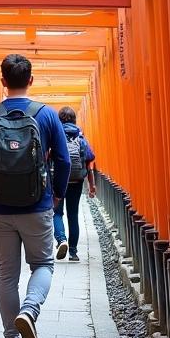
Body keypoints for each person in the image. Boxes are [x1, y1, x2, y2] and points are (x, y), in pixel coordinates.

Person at [0, 53, 70, 338]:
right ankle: (30, 310)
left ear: (2, 81)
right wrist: (56, 197)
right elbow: (64, 161)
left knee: (7, 274)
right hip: (38, 204)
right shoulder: (47, 115)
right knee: (43, 265)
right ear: (30, 80)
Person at [52, 106, 97, 262]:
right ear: (74, 120)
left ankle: (61, 240)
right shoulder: (80, 137)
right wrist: (92, 185)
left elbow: (46, 158)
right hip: (76, 181)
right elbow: (89, 160)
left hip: (58, 181)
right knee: (73, 215)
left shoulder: (55, 135)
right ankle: (73, 252)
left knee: (57, 213)